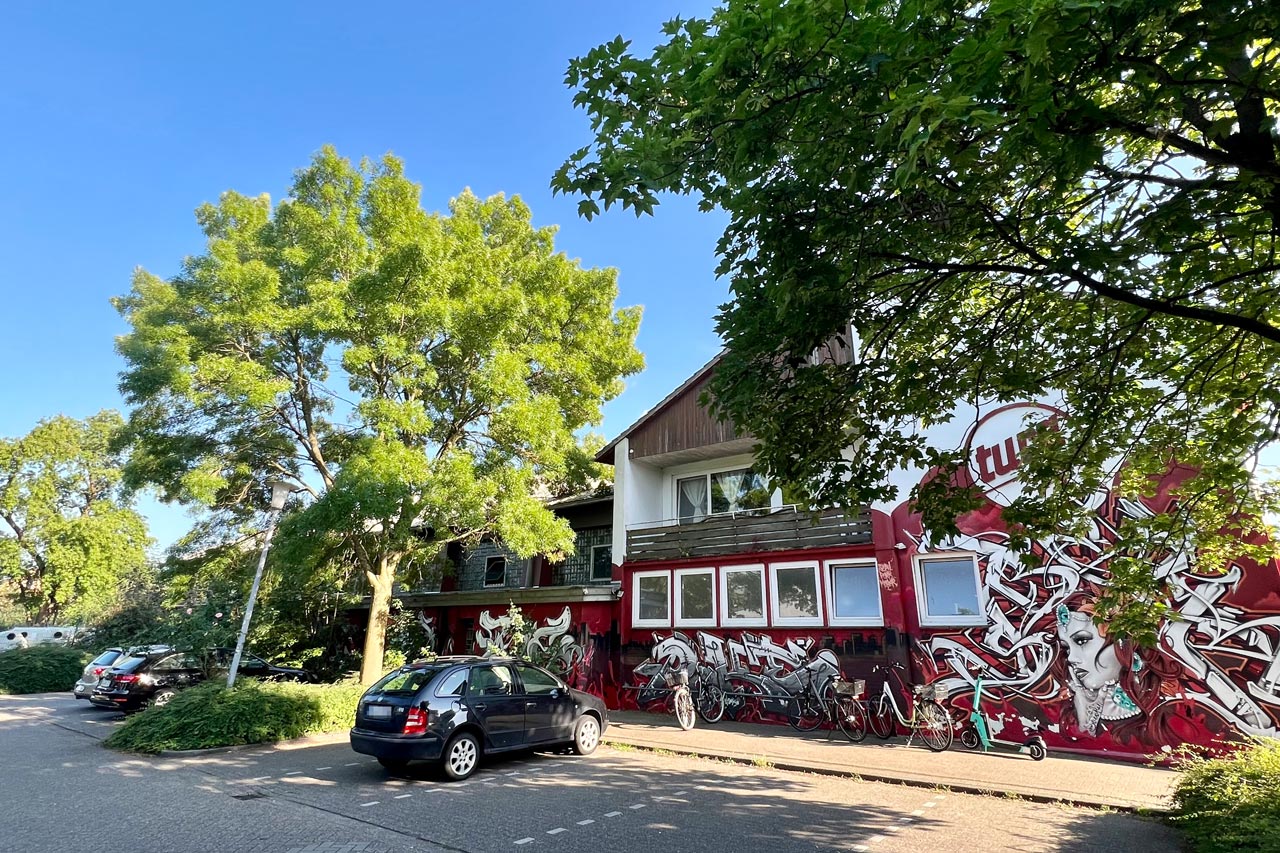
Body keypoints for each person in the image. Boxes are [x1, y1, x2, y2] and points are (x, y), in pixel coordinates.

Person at [1055, 600, 1139, 736]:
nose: (1071, 658)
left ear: (1121, 641)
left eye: (1082, 640)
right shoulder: (1077, 705)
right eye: (1067, 648)